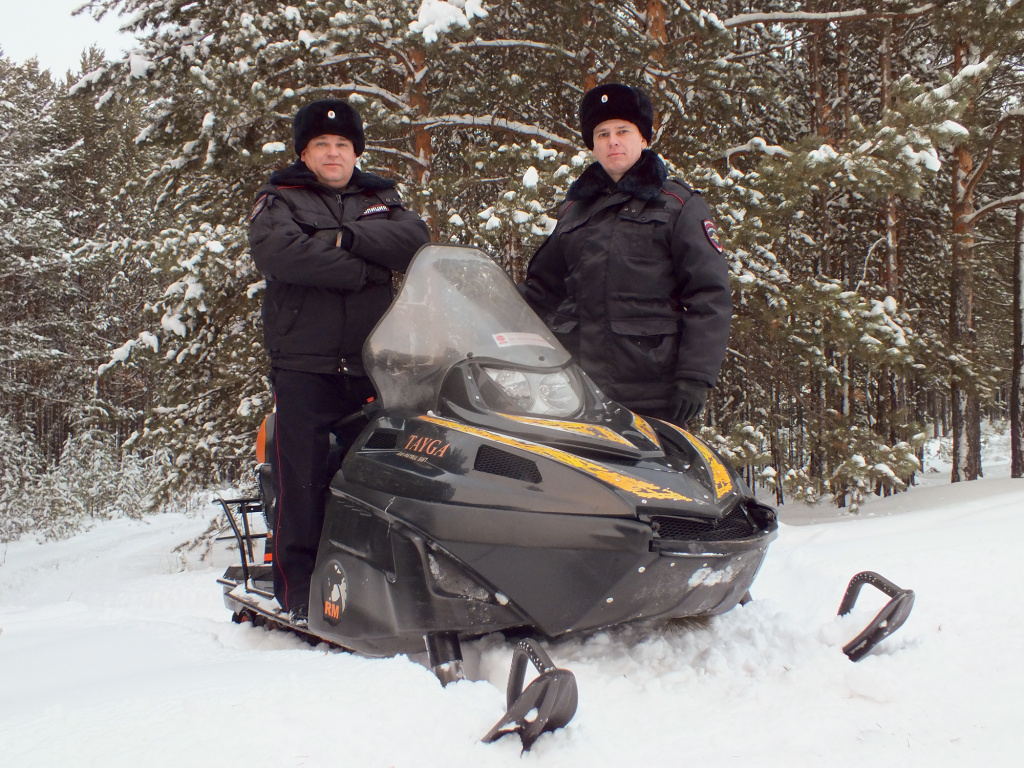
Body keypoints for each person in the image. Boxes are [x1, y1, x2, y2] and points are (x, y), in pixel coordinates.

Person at [249, 99, 430, 625]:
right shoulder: (278, 196)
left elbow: (414, 240)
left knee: (376, 478)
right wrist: (363, 270)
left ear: (356, 152)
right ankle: (298, 592)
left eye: (343, 145)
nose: (333, 153)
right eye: (322, 145)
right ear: (304, 152)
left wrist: (345, 237)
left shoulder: (380, 196)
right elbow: (280, 255)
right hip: (304, 362)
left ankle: (373, 581)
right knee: (301, 482)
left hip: (373, 360)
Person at [520, 83, 732, 426]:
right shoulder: (574, 211)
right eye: (602, 134)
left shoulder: (679, 205)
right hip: (578, 389)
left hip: (652, 393)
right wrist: (486, 297)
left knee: (653, 481)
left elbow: (710, 295)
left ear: (644, 139)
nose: (612, 141)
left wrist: (696, 375)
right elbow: (542, 291)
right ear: (593, 145)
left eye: (622, 131)